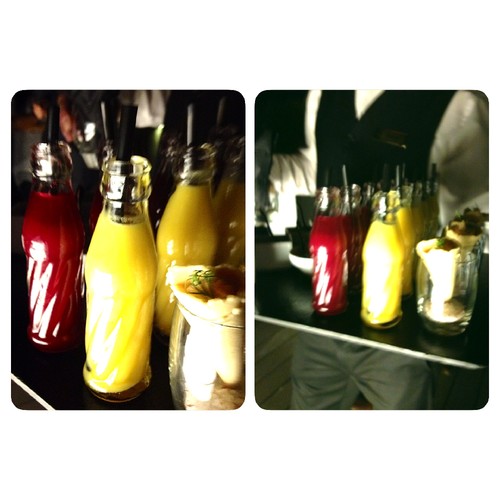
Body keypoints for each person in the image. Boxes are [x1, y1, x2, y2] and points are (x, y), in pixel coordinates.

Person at [255, 89, 489, 410]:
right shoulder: (323, 92)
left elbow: (476, 214)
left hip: (398, 332)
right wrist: (265, 171)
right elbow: (317, 168)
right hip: (325, 310)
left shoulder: (460, 102)